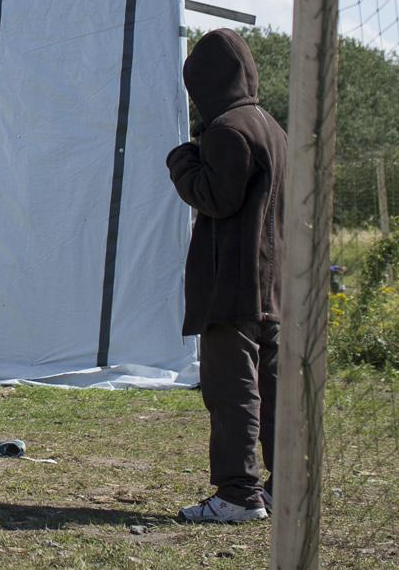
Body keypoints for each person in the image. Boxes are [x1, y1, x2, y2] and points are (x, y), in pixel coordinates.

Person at [164, 27, 285, 524]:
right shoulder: (271, 126)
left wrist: (182, 160)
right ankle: (286, 489)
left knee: (232, 390)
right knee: (273, 388)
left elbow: (217, 198)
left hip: (231, 287)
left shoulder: (227, 130)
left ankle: (238, 494)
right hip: (272, 288)